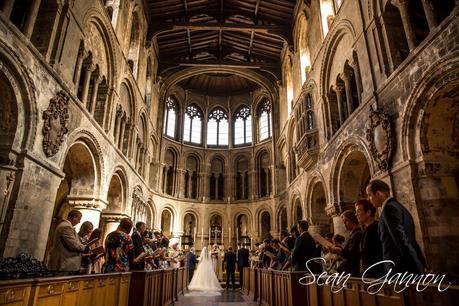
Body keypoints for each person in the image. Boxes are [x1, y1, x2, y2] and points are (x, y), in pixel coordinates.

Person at [366, 179, 426, 274]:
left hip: (399, 269)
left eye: (369, 195)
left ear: (378, 193)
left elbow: (402, 241)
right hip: (404, 268)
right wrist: (422, 264)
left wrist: (417, 269)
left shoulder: (389, 209)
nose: (368, 199)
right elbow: (411, 241)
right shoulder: (399, 207)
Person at [47, 210, 87, 274]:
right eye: (79, 219)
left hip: (64, 263)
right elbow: (73, 245)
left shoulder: (66, 226)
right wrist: (85, 248)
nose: (79, 222)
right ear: (74, 217)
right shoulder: (66, 227)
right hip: (63, 263)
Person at [355, 199, 383, 277]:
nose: (356, 214)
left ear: (368, 212)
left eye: (358, 211)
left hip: (376, 273)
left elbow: (366, 253)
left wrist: (341, 252)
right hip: (369, 271)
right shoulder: (366, 229)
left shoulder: (375, 228)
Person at [328, 210, 362, 276]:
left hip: (354, 272)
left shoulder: (357, 234)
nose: (344, 224)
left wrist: (340, 251)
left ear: (352, 220)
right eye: (343, 222)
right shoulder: (353, 234)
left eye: (345, 221)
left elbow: (353, 254)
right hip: (349, 271)